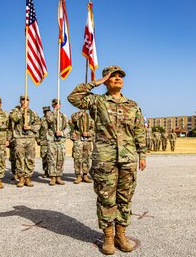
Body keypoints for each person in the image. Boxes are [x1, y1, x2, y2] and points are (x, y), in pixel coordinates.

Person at [68, 65, 147, 255]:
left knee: (125, 198)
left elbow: (139, 131)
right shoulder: (96, 102)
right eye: (113, 76)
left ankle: (121, 235)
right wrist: (95, 83)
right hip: (105, 159)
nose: (118, 78)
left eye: (121, 76)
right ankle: (108, 238)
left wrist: (142, 154)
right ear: (106, 80)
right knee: (106, 198)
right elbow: (73, 97)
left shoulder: (132, 105)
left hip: (128, 158)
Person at [9, 96, 41, 188]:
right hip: (19, 138)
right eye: (23, 100)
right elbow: (14, 119)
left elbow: (38, 124)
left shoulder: (33, 113)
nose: (25, 101)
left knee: (30, 158)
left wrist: (30, 127)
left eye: (26, 100)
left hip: (30, 138)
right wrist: (22, 109)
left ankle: (28, 178)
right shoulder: (15, 111)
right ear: (20, 101)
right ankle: (21, 178)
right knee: (19, 158)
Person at [44, 99, 70, 186]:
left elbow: (68, 128)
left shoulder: (64, 117)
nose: (56, 106)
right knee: (51, 159)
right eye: (54, 104)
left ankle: (58, 176)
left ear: (60, 105)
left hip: (61, 141)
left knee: (60, 159)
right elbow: (49, 121)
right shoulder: (49, 115)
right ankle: (52, 177)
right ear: (52, 106)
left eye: (58, 104)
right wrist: (55, 112)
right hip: (52, 140)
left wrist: (62, 133)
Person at [70, 110, 94, 184]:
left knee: (87, 158)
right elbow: (73, 119)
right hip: (78, 139)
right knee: (77, 158)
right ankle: (78, 176)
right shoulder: (75, 114)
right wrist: (80, 113)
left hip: (87, 140)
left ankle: (85, 175)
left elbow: (94, 128)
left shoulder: (90, 117)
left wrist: (88, 133)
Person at [38, 106, 51, 178]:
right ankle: (46, 171)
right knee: (44, 157)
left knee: (52, 157)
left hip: (52, 141)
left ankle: (52, 172)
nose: (47, 112)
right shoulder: (41, 120)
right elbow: (38, 130)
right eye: (45, 111)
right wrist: (38, 139)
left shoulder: (53, 119)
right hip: (43, 141)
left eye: (48, 111)